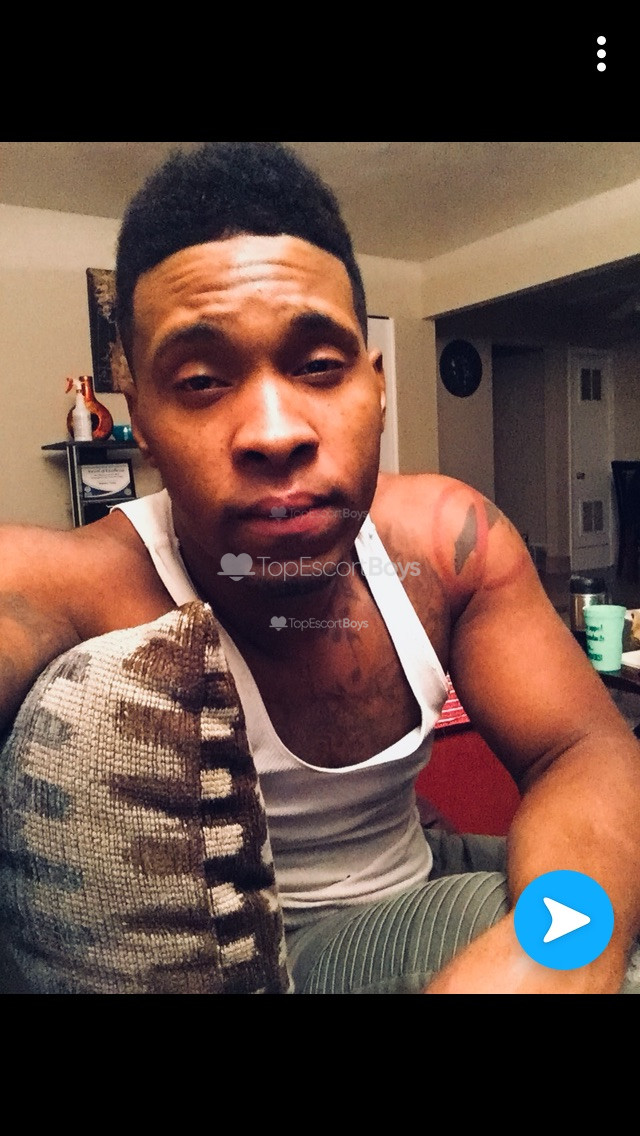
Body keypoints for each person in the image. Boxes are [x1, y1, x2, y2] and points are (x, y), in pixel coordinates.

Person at [2, 140, 640, 994]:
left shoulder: (449, 540)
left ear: (375, 388)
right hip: (281, 950)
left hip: (430, 862)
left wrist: (567, 944)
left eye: (318, 368)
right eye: (201, 380)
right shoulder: (77, 581)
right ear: (142, 421)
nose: (275, 431)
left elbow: (582, 747)